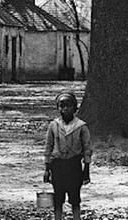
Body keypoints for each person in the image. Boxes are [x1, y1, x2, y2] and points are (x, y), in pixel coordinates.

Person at [43, 92, 92, 220]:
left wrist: (86, 169)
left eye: (68, 106)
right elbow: (48, 146)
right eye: (61, 106)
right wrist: (47, 168)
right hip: (57, 166)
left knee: (75, 198)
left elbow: (87, 148)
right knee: (58, 198)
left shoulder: (81, 126)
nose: (65, 109)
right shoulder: (54, 125)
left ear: (75, 108)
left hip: (74, 166)